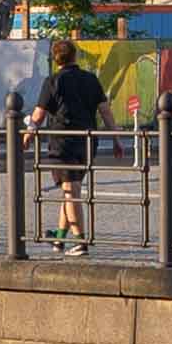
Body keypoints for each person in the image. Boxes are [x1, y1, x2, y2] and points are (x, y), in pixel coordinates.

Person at [34, 46, 109, 250]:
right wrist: (117, 138)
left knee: (70, 192)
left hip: (62, 144)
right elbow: (104, 110)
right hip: (87, 142)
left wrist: (26, 136)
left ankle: (80, 241)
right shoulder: (91, 79)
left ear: (55, 59)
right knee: (70, 190)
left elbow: (38, 116)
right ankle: (59, 239)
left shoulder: (52, 81)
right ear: (75, 56)